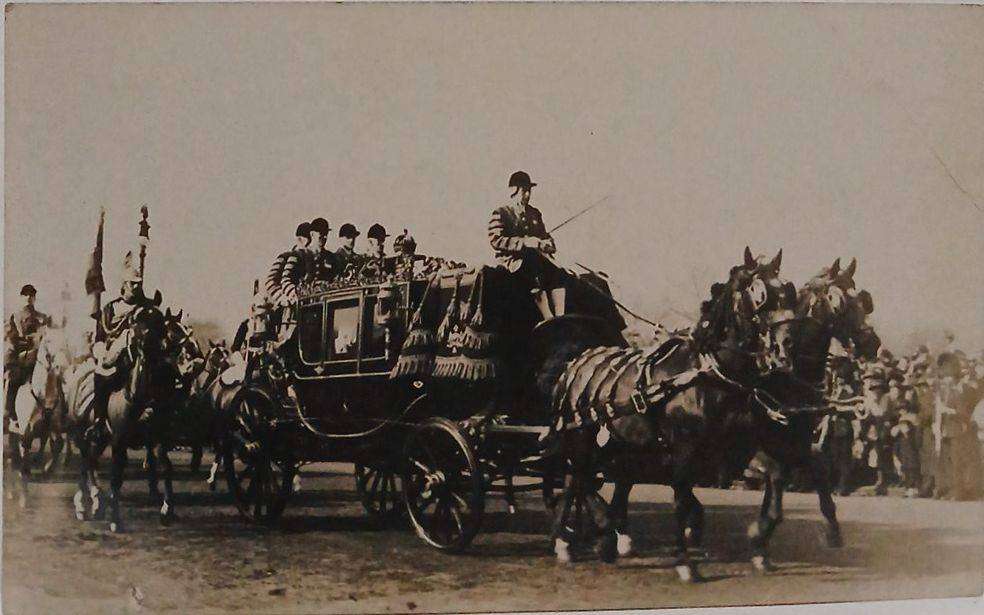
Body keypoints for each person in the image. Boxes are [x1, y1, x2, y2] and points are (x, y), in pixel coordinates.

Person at [487, 171, 565, 319]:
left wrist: (547, 244)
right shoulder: (501, 213)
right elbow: (495, 239)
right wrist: (525, 243)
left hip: (535, 259)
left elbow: (545, 236)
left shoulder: (535, 213)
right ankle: (548, 317)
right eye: (524, 191)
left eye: (529, 191)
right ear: (514, 190)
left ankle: (560, 317)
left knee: (558, 271)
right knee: (532, 263)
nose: (528, 195)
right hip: (511, 262)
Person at [4, 284, 53, 436]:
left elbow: (48, 335)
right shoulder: (15, 317)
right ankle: (11, 416)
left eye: (31, 295)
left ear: (34, 298)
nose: (28, 298)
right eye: (25, 295)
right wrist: (29, 342)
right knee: (12, 379)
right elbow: (11, 338)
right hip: (19, 357)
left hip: (38, 357)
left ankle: (55, 415)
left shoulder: (42, 317)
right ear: (21, 297)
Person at [309, 217, 338, 282]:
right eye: (321, 233)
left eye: (326, 234)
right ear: (312, 234)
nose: (325, 237)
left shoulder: (331, 257)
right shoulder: (302, 255)